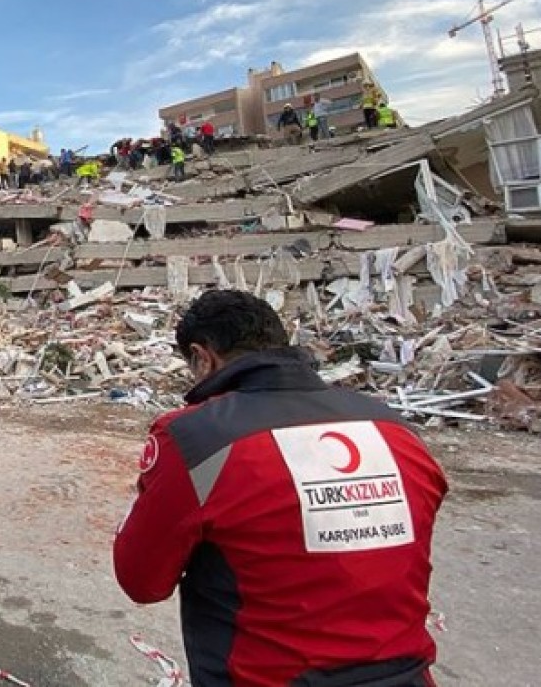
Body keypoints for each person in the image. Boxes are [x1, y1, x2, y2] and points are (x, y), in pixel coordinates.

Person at [115, 289, 447, 687]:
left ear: (203, 357)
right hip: (407, 676)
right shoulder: (391, 425)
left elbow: (142, 581)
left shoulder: (197, 437)